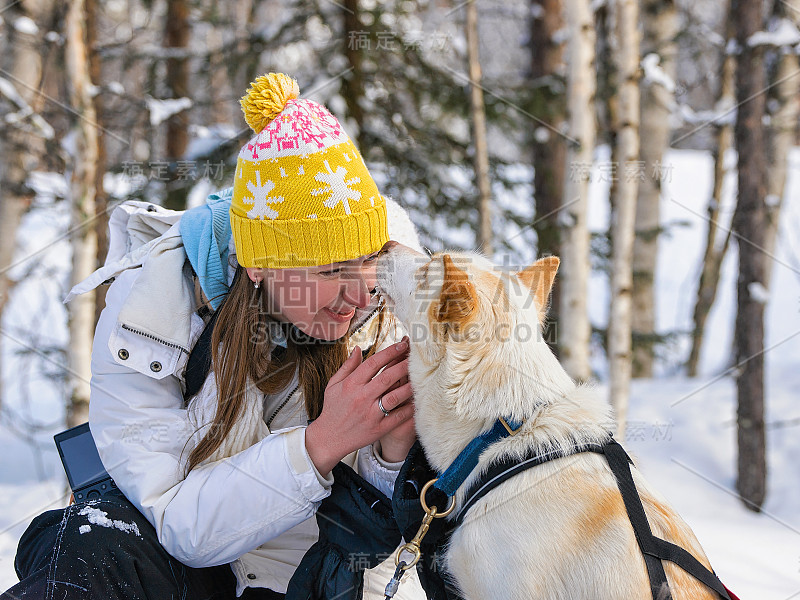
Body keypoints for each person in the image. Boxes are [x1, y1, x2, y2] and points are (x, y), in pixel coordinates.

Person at [1, 73, 430, 600]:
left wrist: (389, 462)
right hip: (178, 567)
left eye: (369, 263)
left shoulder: (395, 306)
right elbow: (180, 522)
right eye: (329, 271)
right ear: (258, 266)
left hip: (311, 571)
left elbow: (392, 537)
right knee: (90, 542)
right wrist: (323, 441)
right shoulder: (150, 313)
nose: (359, 295)